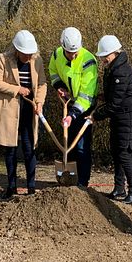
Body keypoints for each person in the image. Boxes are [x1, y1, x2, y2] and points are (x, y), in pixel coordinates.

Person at [88, 35, 132, 205]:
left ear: (114, 53)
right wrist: (100, 97)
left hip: (129, 118)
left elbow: (115, 103)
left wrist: (95, 116)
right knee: (116, 152)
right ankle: (119, 188)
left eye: (106, 55)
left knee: (124, 154)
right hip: (120, 117)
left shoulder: (121, 71)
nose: (103, 59)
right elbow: (114, 95)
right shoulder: (113, 68)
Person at [0, 30, 47, 199]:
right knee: (10, 150)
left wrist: (40, 102)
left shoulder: (37, 60)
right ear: (17, 50)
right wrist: (17, 89)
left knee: (30, 148)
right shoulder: (4, 59)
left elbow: (42, 83)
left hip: (30, 110)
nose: (28, 57)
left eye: (30, 54)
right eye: (25, 54)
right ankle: (11, 186)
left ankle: (31, 187)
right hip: (10, 110)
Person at [48, 27, 98, 187]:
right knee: (70, 145)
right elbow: (53, 72)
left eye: (75, 52)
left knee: (82, 147)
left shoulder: (88, 60)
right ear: (62, 47)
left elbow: (86, 95)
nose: (73, 55)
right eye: (70, 52)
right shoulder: (56, 55)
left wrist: (72, 115)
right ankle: (71, 180)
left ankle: (83, 183)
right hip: (69, 104)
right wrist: (59, 87)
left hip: (85, 107)